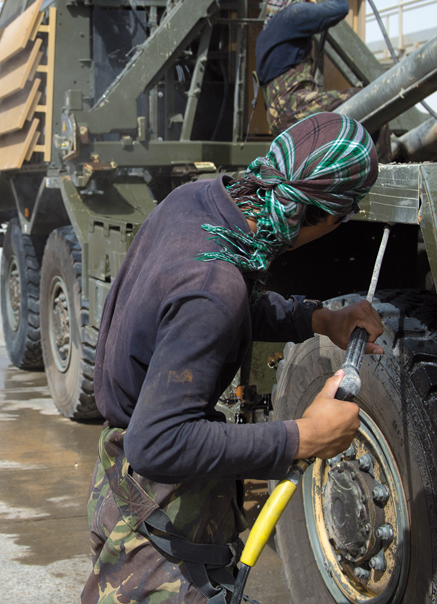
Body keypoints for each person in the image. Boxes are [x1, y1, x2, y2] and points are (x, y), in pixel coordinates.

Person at [82, 112, 384, 604]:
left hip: (120, 487)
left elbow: (209, 307)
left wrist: (318, 318)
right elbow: (157, 444)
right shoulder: (213, 286)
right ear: (327, 216)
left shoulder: (200, 200)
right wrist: (304, 436)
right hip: (159, 515)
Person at [255, 0, 359, 135]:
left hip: (278, 118)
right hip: (295, 108)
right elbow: (338, 9)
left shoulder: (265, 35)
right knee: (368, 98)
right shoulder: (292, 13)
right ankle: (385, 157)